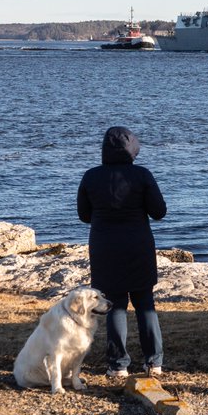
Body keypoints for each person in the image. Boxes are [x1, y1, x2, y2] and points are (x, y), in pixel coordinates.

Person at [77, 126, 168, 378]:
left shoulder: (91, 176)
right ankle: (154, 362)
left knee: (114, 305)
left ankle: (118, 366)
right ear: (133, 148)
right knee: (144, 303)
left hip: (105, 247)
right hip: (138, 246)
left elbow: (84, 216)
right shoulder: (142, 175)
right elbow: (159, 211)